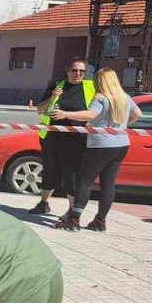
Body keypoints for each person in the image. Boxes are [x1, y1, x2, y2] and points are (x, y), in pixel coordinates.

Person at [50, 67, 142, 231]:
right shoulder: (125, 97)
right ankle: (100, 221)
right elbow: (138, 114)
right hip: (121, 144)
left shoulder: (101, 98)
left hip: (101, 145)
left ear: (100, 81)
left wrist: (65, 114)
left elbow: (90, 115)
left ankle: (74, 220)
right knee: (108, 184)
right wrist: (121, 124)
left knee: (84, 181)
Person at [29, 58, 96, 217]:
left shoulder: (90, 88)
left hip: (76, 140)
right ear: (67, 72)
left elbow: (95, 113)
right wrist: (52, 98)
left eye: (82, 71)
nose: (78, 74)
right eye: (74, 70)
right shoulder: (57, 86)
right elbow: (40, 110)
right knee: (49, 171)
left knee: (70, 175)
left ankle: (72, 210)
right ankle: (43, 203)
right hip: (51, 137)